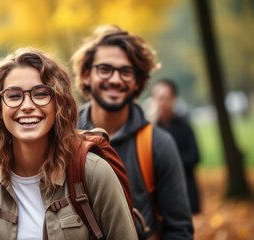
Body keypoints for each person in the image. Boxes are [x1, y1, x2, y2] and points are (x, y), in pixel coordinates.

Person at [0, 48, 137, 239]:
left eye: (40, 94)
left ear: (58, 103)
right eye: (14, 96)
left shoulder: (94, 173)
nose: (27, 106)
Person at [72, 25, 193, 239]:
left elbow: (179, 229)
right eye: (105, 69)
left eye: (126, 71)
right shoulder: (62, 137)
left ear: (138, 81)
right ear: (85, 75)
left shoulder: (158, 144)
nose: (116, 79)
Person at [151, 79, 201, 214]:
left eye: (166, 97)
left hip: (185, 190)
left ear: (174, 99)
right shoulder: (149, 130)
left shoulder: (184, 126)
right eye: (159, 97)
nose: (162, 102)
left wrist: (168, 161)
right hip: (160, 195)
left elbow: (195, 157)